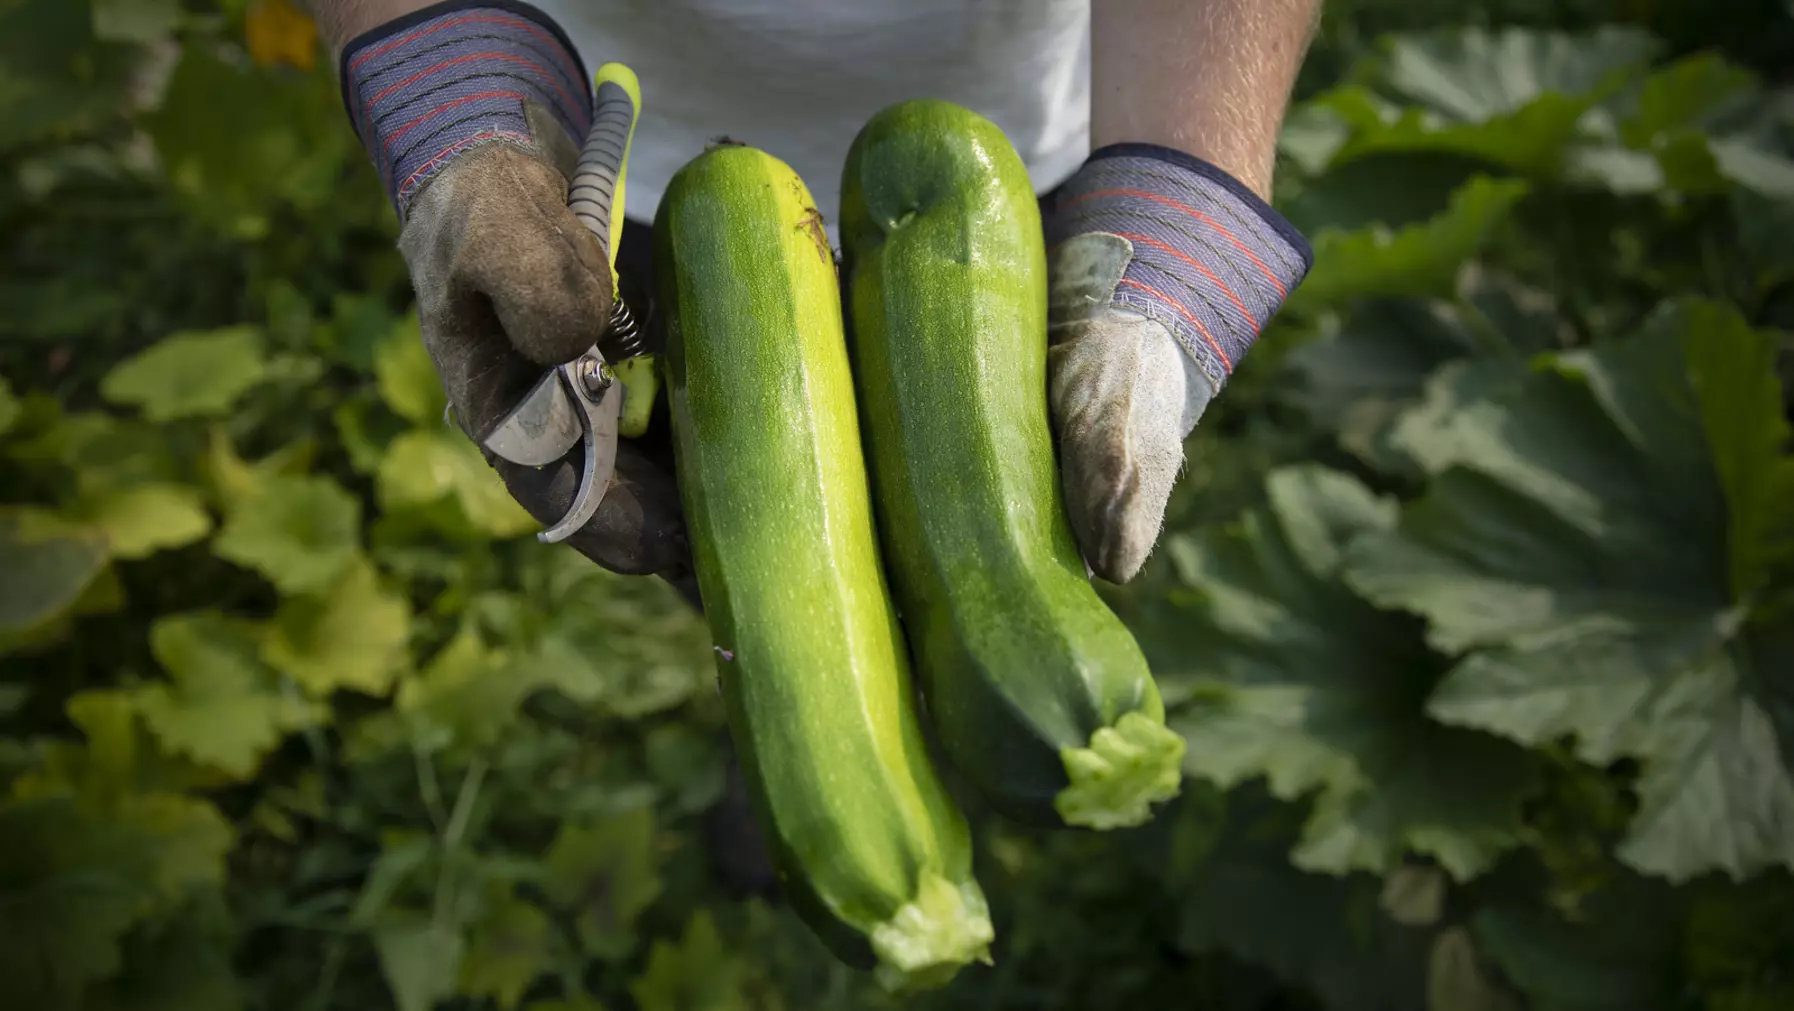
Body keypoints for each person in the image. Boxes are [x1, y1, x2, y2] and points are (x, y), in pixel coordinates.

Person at [307, 0, 1319, 597]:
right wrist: (444, 88)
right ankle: (783, 764)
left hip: (1018, 147)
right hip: (620, 150)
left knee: (999, 545)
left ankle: (937, 739)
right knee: (755, 562)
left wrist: (1185, 193)